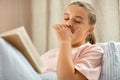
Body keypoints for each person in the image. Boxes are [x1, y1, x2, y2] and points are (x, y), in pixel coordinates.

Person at [40, 1, 104, 80]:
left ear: (90, 30)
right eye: (66, 18)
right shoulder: (50, 53)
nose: (68, 23)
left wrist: (65, 42)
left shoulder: (93, 51)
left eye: (77, 21)